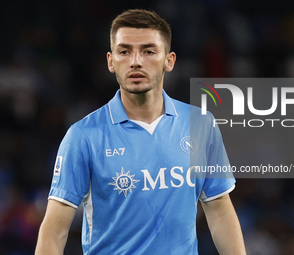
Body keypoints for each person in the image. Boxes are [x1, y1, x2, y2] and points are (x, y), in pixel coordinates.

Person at [35, 9, 246, 255]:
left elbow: (219, 209)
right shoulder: (83, 136)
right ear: (111, 61)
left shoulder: (201, 124)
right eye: (124, 51)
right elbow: (54, 230)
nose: (136, 61)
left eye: (148, 51)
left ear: (169, 60)